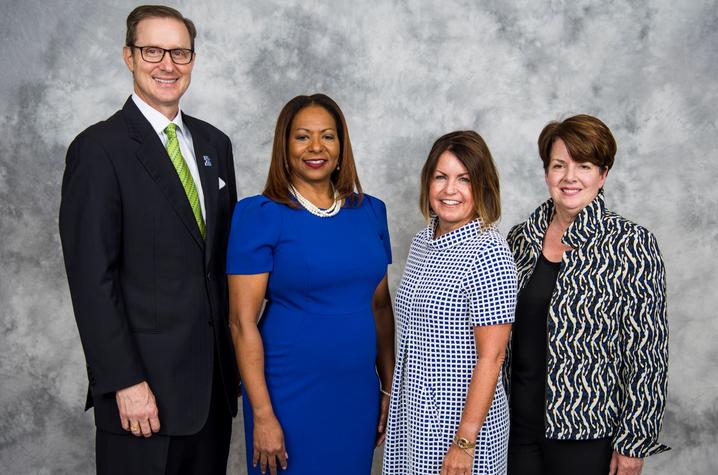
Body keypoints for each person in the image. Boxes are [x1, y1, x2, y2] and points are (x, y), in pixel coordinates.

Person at [59, 5, 238, 474]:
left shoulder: (215, 146)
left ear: (193, 60)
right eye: (153, 50)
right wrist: (125, 382)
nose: (168, 64)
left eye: (180, 52)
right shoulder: (98, 150)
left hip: (212, 392)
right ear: (129, 56)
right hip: (142, 397)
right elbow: (91, 280)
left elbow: (217, 264)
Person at [227, 93, 395, 475]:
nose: (316, 147)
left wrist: (387, 386)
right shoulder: (259, 215)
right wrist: (263, 414)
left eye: (328, 136)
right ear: (285, 147)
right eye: (303, 137)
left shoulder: (371, 211)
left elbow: (380, 306)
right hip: (288, 393)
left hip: (356, 393)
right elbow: (241, 323)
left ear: (341, 146)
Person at [505, 114, 669, 475]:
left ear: (603, 174)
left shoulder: (631, 244)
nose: (569, 178)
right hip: (514, 429)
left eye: (584, 166)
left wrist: (634, 442)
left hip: (588, 432)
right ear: (546, 171)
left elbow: (648, 353)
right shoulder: (519, 239)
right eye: (559, 165)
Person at [383, 131, 517, 475]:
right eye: (440, 177)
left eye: (464, 179)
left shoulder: (488, 251)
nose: (449, 190)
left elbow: (493, 355)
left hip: (461, 426)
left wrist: (464, 443)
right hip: (414, 416)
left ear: (482, 186)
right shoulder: (421, 243)